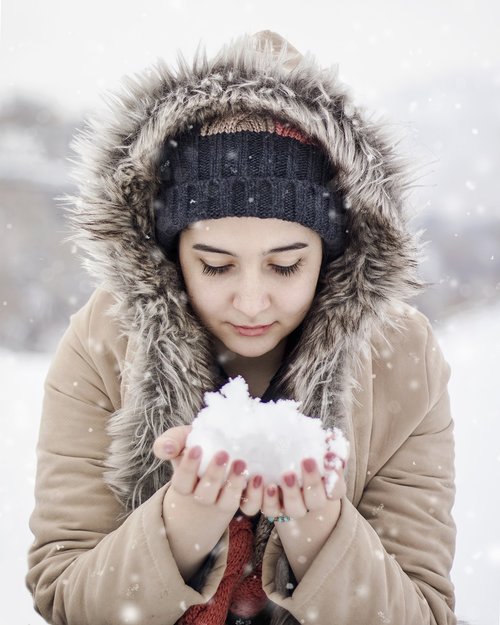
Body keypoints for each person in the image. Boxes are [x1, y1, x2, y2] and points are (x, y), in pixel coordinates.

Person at [26, 30, 457, 625]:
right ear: (171, 252)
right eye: (216, 265)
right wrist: (181, 525)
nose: (251, 302)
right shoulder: (105, 343)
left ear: (332, 255)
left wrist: (319, 531)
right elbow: (65, 599)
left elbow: (426, 614)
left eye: (285, 265)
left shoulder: (400, 358)